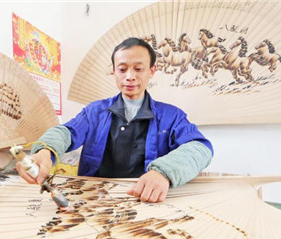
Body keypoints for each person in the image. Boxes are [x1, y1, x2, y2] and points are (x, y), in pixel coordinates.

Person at [16, 37, 213, 203]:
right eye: (122, 69)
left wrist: (163, 172)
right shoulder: (95, 111)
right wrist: (44, 151)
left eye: (138, 69)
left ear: (151, 71)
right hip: (95, 200)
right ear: (113, 71)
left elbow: (200, 148)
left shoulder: (172, 116)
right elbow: (67, 132)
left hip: (145, 199)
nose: (130, 77)